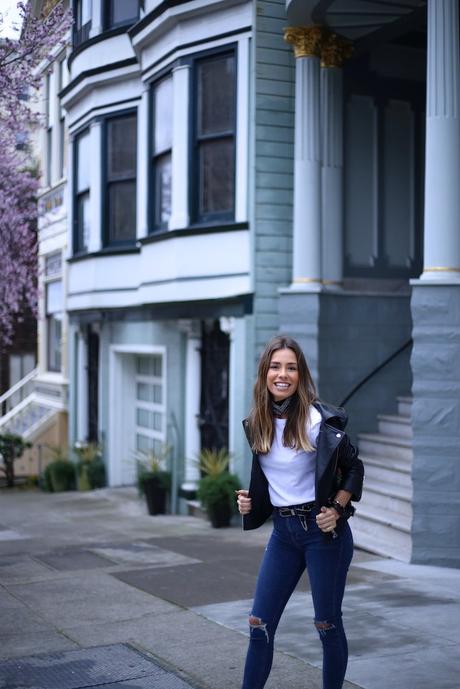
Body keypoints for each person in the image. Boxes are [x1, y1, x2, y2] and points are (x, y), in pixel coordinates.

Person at [236, 335, 364, 689]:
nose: (283, 374)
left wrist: (337, 508)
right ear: (264, 374)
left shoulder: (316, 420)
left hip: (323, 535)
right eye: (275, 367)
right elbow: (273, 482)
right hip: (283, 534)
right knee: (259, 623)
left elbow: (354, 469)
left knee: (327, 624)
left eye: (291, 367)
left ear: (300, 374)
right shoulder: (257, 423)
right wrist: (251, 502)